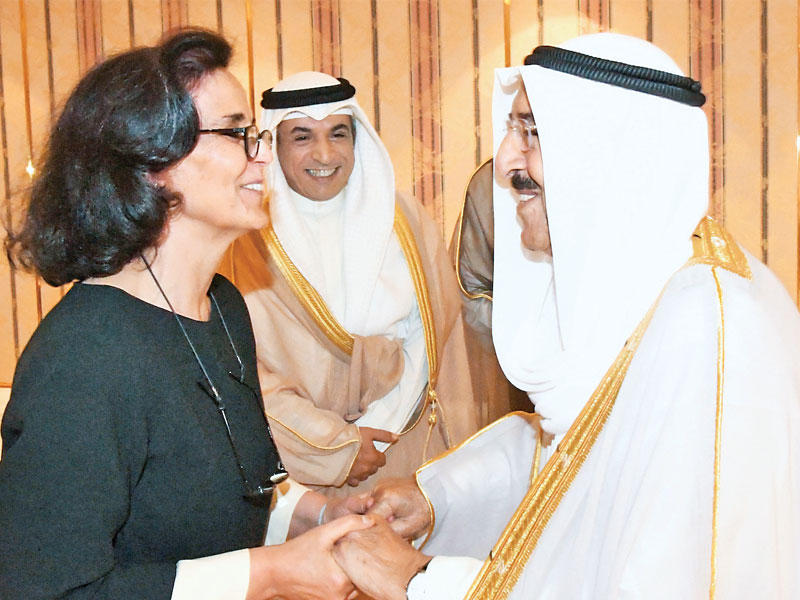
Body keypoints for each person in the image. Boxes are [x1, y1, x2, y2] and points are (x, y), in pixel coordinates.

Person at [331, 33, 800, 599]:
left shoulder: (708, 329)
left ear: (612, 154)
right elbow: (575, 452)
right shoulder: (646, 284)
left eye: (533, 133)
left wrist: (419, 580)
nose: (506, 163)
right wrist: (440, 497)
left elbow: (659, 581)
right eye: (513, 130)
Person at [0, 29, 374, 600]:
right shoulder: (83, 359)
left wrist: (319, 515)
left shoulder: (223, 306)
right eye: (237, 133)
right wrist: (268, 573)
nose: (263, 156)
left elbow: (224, 488)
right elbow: (46, 592)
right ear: (152, 164)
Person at [223, 71, 478, 494]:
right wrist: (335, 446)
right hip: (291, 467)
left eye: (338, 134)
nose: (324, 154)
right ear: (274, 144)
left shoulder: (406, 221)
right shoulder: (240, 239)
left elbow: (435, 336)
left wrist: (381, 429)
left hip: (406, 443)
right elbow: (241, 373)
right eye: (302, 137)